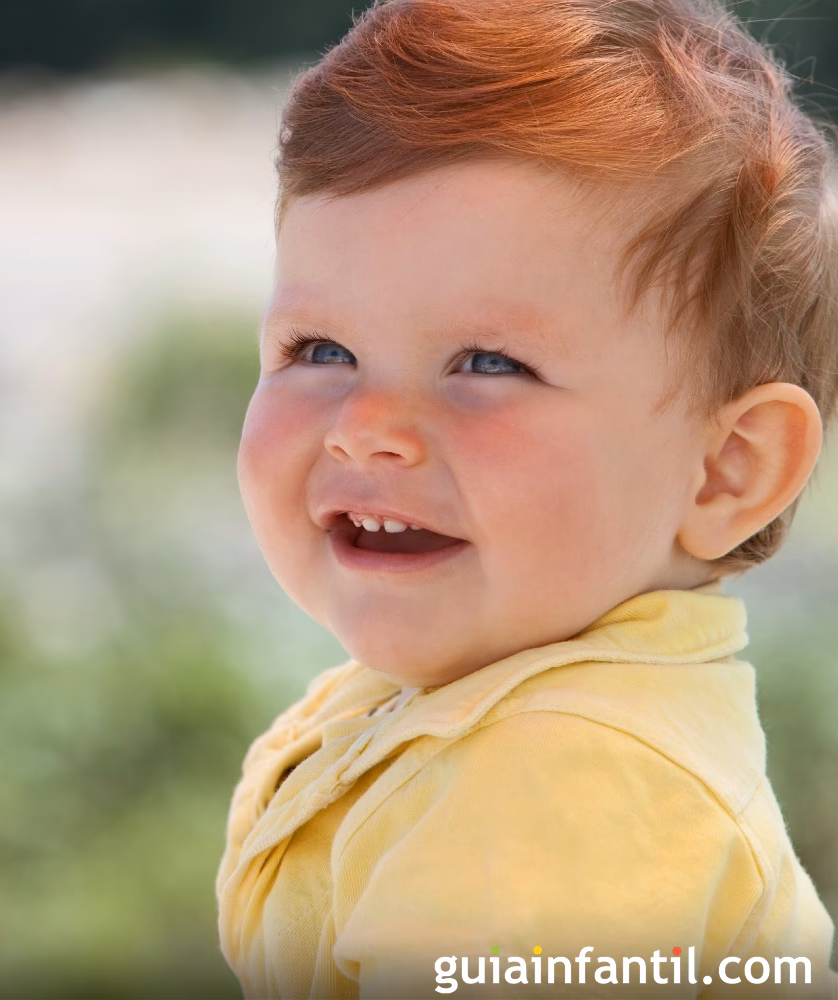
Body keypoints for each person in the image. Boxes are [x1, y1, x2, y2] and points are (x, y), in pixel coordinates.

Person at [216, 0, 838, 995]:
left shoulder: (557, 787)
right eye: (320, 350)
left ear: (728, 470)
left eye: (487, 363)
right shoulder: (504, 710)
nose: (364, 422)